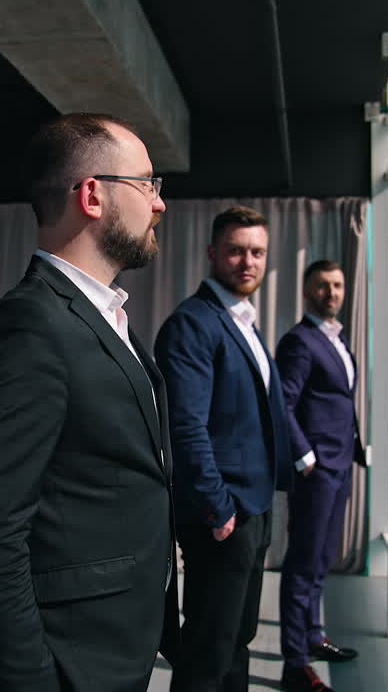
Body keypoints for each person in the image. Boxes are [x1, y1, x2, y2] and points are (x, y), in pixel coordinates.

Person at [0, 112, 178, 692]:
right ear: (93, 195)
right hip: (69, 662)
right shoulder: (29, 328)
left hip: (116, 643)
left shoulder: (105, 315)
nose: (159, 204)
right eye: (147, 184)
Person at [154, 205, 294, 692]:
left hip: (252, 510)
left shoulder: (246, 324)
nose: (247, 261)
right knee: (207, 653)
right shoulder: (193, 323)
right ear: (213, 253)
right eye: (235, 251)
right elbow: (186, 426)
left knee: (237, 640)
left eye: (257, 252)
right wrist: (218, 508)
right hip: (223, 515)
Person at [275, 260, 367, 692]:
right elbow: (284, 404)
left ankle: (313, 638)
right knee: (302, 564)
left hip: (341, 464)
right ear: (307, 291)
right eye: (322, 286)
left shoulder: (338, 338)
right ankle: (294, 662)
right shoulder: (300, 341)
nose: (331, 293)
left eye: (337, 285)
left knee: (321, 561)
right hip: (317, 471)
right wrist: (306, 457)